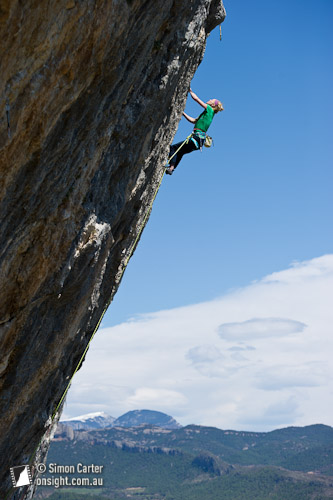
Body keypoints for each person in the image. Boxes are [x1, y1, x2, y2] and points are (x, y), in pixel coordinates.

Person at [166, 88, 223, 175]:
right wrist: (183, 113)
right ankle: (171, 169)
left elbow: (197, 99)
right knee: (180, 152)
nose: (210, 99)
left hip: (196, 138)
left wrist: (190, 91)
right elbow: (193, 120)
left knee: (173, 148)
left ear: (213, 105)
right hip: (198, 141)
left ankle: (171, 167)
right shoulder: (206, 114)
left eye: (212, 100)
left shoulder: (210, 110)